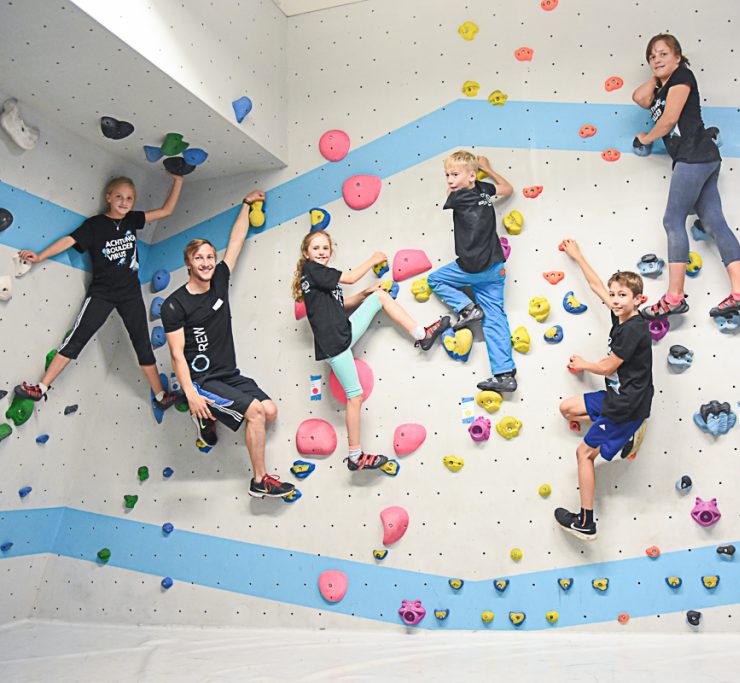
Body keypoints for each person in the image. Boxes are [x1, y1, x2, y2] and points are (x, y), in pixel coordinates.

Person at [160, 190, 295, 499]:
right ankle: (259, 481)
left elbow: (235, 242)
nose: (207, 262)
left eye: (210, 256)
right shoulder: (174, 305)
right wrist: (192, 394)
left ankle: (208, 415)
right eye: (199, 258)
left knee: (270, 411)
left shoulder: (219, 278)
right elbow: (177, 355)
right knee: (255, 414)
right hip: (203, 380)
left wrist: (246, 205)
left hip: (228, 373)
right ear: (189, 264)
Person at [14, 174, 184, 412]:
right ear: (108, 198)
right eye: (119, 197)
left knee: (143, 345)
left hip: (130, 294)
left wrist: (178, 181)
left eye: (129, 198)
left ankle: (160, 395)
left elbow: (166, 210)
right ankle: (41, 388)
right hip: (102, 294)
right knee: (76, 340)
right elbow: (68, 241)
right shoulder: (94, 225)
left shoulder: (133, 220)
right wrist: (40, 256)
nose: (124, 202)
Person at [294, 230, 450, 472]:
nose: (322, 252)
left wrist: (365, 294)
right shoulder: (312, 270)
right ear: (306, 253)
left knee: (377, 298)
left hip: (340, 333)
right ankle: (422, 335)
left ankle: (423, 335)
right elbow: (350, 277)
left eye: (325, 248)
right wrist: (373, 258)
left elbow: (340, 304)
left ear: (331, 251)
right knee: (354, 396)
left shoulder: (317, 277)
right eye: (316, 248)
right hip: (335, 341)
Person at [631, 33, 740, 321]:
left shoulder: (684, 76)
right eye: (651, 57)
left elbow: (670, 119)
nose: (656, 59)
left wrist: (647, 137)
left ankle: (674, 297)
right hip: (705, 158)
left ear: (678, 57)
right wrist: (658, 76)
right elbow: (639, 98)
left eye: (663, 54)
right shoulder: (664, 85)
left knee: (672, 220)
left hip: (692, 156)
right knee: (713, 221)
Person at [553, 239, 654, 541]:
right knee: (567, 409)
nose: (615, 299)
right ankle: (620, 436)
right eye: (614, 294)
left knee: (584, 454)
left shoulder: (634, 328)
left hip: (626, 406)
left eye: (623, 295)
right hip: (616, 397)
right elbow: (597, 284)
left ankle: (586, 522)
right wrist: (578, 256)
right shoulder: (620, 315)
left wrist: (584, 364)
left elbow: (609, 367)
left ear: (639, 300)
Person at [427, 151, 517, 393]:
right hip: (495, 269)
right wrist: (487, 169)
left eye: (454, 174)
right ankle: (504, 375)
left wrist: (471, 175)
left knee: (435, 280)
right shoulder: (483, 190)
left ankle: (468, 308)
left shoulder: (457, 197)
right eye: (447, 175)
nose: (449, 180)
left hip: (470, 268)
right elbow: (507, 189)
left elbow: (451, 193)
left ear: (470, 176)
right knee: (495, 319)